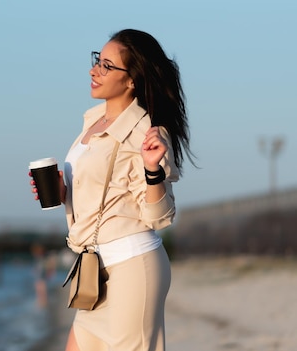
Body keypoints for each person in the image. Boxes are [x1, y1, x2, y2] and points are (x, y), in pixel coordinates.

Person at [29, 29, 193, 351]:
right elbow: (106, 190)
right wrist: (65, 193)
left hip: (131, 270)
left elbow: (160, 217)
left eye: (106, 65)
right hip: (93, 273)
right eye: (97, 61)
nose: (94, 71)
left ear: (132, 80)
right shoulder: (93, 121)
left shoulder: (147, 132)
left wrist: (152, 170)